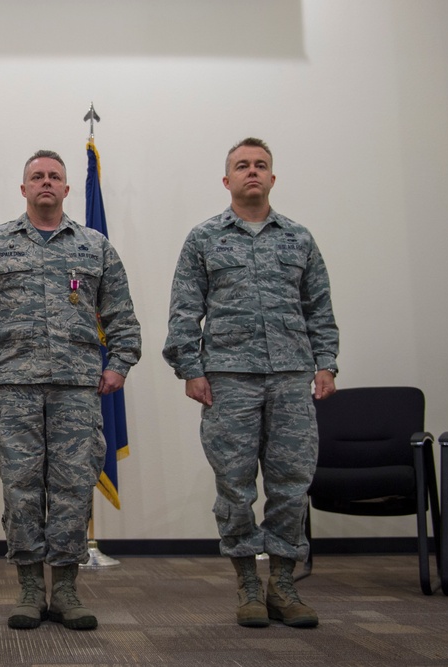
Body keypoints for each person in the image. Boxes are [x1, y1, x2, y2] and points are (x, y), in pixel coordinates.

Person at [0, 150, 141, 631]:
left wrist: (118, 365)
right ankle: (32, 589)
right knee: (21, 490)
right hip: (13, 388)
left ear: (68, 188)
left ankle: (68, 589)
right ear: (23, 188)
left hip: (77, 388)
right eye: (37, 176)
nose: (46, 183)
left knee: (73, 488)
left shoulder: (95, 247)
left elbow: (121, 315)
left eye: (55, 176)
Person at [162, 137, 339, 629]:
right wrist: (190, 369)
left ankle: (282, 585)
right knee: (235, 487)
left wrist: (326, 364)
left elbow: (319, 308)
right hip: (228, 381)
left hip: (290, 378)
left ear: (273, 178)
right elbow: (184, 310)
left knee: (291, 486)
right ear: (227, 180)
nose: (252, 172)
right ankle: (246, 584)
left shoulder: (299, 239)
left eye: (261, 165)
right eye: (242, 166)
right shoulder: (204, 238)